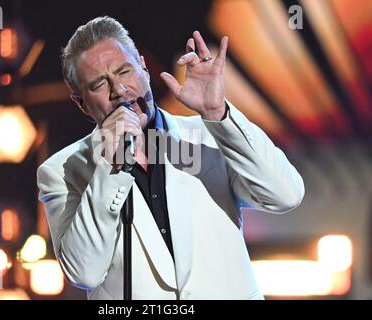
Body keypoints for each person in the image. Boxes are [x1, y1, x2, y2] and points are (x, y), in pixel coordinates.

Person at [37, 16, 305, 300]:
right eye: (99, 85)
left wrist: (217, 114)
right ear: (82, 104)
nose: (119, 90)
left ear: (143, 66)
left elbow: (285, 195)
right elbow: (84, 272)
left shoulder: (209, 134)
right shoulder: (61, 171)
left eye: (124, 71)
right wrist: (109, 165)